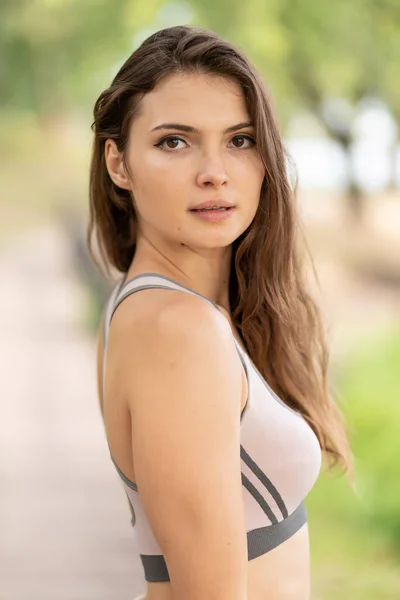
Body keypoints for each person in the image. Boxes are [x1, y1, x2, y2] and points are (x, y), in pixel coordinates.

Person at [88, 25, 352, 600]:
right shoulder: (177, 328)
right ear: (119, 164)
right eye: (174, 142)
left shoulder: (161, 309)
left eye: (240, 140)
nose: (215, 171)